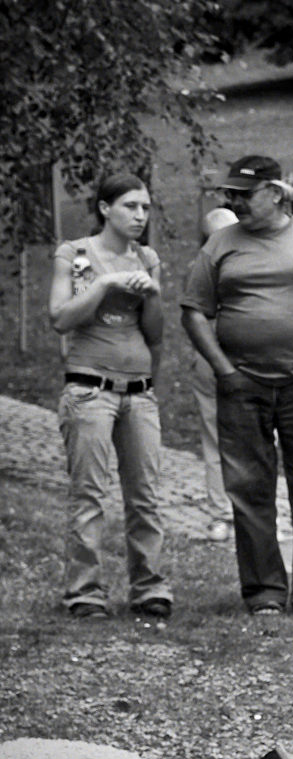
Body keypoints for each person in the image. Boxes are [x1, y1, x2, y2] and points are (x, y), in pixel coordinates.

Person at [180, 155, 293, 622]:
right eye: (230, 194)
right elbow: (194, 310)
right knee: (248, 489)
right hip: (242, 386)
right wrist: (223, 369)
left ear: (277, 193)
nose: (234, 201)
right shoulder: (221, 244)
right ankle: (263, 593)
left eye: (244, 193)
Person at [48, 173, 173, 620]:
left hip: (138, 393)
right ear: (105, 208)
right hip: (89, 390)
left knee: (145, 495)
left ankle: (149, 587)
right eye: (130, 207)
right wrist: (104, 286)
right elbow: (61, 318)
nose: (140, 216)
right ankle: (85, 592)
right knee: (90, 495)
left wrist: (153, 294)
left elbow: (155, 333)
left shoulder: (147, 258)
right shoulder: (77, 255)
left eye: (145, 208)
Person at [187, 207, 239, 543]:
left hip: (250, 362)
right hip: (212, 361)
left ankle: (250, 512)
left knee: (256, 439)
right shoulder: (202, 269)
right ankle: (222, 514)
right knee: (216, 440)